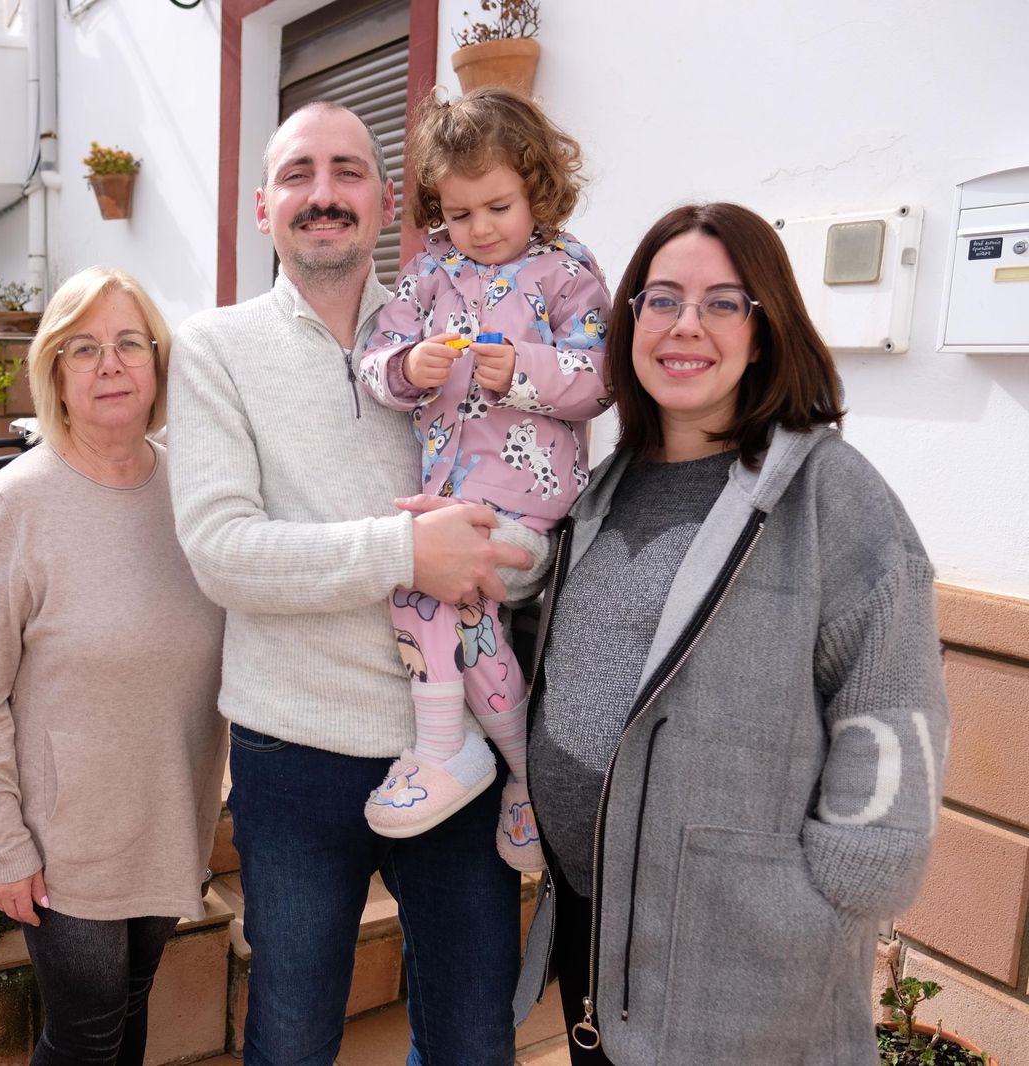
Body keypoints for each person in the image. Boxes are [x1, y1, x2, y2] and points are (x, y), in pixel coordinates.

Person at [515, 202, 949, 1065]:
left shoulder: (832, 497)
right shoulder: (604, 489)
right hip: (598, 931)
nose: (687, 325)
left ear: (765, 329)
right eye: (662, 298)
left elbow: (895, 714)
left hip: (747, 959)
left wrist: (825, 906)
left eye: (723, 302)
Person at [168, 101, 535, 1066]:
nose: (322, 194)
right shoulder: (214, 348)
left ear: (384, 202)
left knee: (471, 1038)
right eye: (298, 174)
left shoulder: (464, 322)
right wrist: (406, 556)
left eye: (347, 172)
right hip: (293, 754)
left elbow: (531, 487)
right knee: (290, 1039)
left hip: (456, 753)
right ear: (262, 208)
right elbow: (220, 550)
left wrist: (515, 558)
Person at [0, 266, 227, 1066]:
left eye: (130, 343)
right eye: (85, 347)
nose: (111, 363)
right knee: (85, 1036)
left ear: (159, 364)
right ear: (55, 374)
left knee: (127, 1011)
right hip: (66, 840)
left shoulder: (199, 489)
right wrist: (0, 840)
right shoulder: (16, 502)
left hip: (169, 817)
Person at [355, 87, 612, 861]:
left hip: (530, 518)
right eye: (460, 214)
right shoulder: (431, 272)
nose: (480, 229)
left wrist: (522, 371)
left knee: (426, 590)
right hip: (450, 506)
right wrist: (408, 365)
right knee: (440, 602)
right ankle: (518, 781)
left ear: (538, 186)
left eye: (498, 207)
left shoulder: (568, 271)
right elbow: (371, 364)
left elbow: (602, 377)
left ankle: (455, 753)